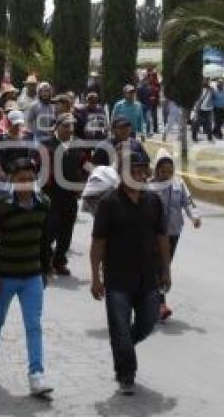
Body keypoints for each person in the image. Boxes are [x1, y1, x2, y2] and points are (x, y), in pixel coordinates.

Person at [90, 149, 171, 395]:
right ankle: (126, 373)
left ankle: (123, 346)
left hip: (148, 277)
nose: (138, 174)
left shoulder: (153, 201)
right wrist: (96, 277)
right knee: (120, 328)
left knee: (148, 322)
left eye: (141, 170)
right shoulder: (108, 203)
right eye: (132, 170)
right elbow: (98, 242)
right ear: (121, 174)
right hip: (117, 279)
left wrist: (166, 269)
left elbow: (162, 237)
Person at [0, 158, 53, 397]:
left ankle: (36, 375)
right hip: (5, 276)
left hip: (32, 275)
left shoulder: (44, 204)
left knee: (33, 325)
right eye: (20, 179)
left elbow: (45, 240)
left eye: (29, 178)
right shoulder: (1, 207)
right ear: (12, 180)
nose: (25, 183)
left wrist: (46, 269)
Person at [149, 150, 201, 321]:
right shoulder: (149, 185)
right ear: (156, 170)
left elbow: (188, 202)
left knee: (164, 266)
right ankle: (160, 305)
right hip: (154, 234)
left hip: (173, 232)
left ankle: (152, 301)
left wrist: (194, 217)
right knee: (160, 267)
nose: (166, 174)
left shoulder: (179, 184)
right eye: (163, 170)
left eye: (169, 170)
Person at [42, 113, 86, 276]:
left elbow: (83, 165)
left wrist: (83, 183)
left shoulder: (77, 145)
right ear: (57, 126)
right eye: (66, 125)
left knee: (67, 230)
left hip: (70, 194)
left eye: (72, 126)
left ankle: (59, 261)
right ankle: (45, 261)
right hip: (51, 194)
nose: (70, 129)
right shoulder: (46, 144)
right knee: (49, 229)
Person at [0, 110, 37, 202]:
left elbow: (33, 154)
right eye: (14, 124)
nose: (17, 127)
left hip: (23, 176)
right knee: (4, 201)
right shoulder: (2, 138)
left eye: (19, 124)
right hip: (7, 175)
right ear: (9, 123)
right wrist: (0, 171)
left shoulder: (28, 136)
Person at [192, 78, 215, 143]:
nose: (207, 82)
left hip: (208, 109)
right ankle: (194, 137)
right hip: (200, 109)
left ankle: (209, 137)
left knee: (209, 124)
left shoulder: (211, 89)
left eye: (208, 81)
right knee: (196, 124)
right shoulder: (199, 89)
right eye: (205, 81)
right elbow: (196, 98)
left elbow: (214, 97)